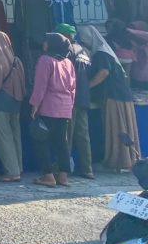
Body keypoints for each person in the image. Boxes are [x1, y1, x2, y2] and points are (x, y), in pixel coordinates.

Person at [81, 24, 141, 172]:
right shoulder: (105, 51)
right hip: (120, 95)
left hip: (115, 96)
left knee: (117, 127)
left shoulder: (101, 54)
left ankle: (120, 160)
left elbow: (103, 73)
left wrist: (86, 87)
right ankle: (126, 159)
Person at [30, 33, 76, 187]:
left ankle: (48, 175)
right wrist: (69, 106)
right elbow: (73, 88)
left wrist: (34, 105)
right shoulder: (68, 62)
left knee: (41, 140)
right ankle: (63, 176)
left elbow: (40, 86)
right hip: (65, 108)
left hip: (49, 107)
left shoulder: (45, 60)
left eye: (46, 41)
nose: (44, 43)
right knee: (61, 142)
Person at [0, 31, 26, 182]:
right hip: (16, 101)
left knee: (3, 136)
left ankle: (11, 171)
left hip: (0, 101)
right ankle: (18, 166)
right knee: (15, 135)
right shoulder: (16, 59)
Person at [56, 23, 94, 179]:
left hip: (70, 97)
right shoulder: (83, 50)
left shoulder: (67, 51)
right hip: (83, 96)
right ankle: (87, 169)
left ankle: (62, 169)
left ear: (65, 36)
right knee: (83, 134)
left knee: (67, 134)